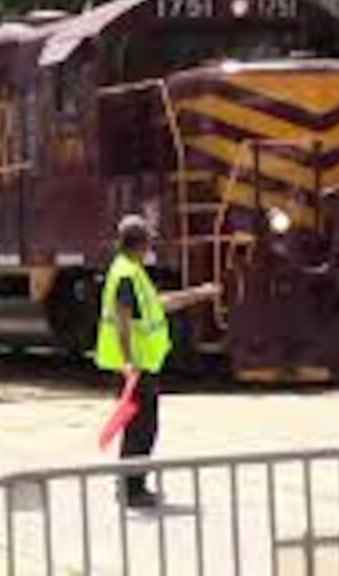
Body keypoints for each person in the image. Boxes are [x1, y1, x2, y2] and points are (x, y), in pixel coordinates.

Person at [94, 214, 220, 508]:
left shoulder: (132, 271)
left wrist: (198, 294)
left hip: (142, 365)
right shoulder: (126, 275)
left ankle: (132, 484)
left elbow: (157, 305)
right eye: (149, 242)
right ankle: (131, 488)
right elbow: (123, 319)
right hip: (135, 367)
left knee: (142, 428)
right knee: (140, 429)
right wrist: (128, 363)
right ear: (140, 244)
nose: (151, 247)